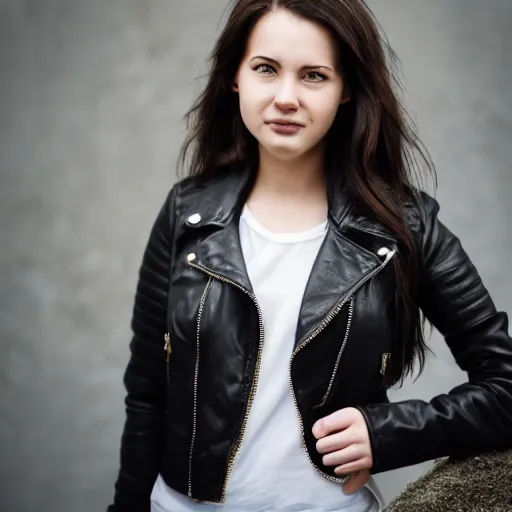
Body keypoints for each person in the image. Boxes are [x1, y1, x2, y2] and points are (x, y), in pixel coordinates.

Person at [107, 0, 512, 511]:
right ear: (235, 76)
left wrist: (389, 432)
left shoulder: (404, 227)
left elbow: (507, 387)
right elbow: (147, 395)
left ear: (347, 91)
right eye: (265, 69)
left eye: (314, 76)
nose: (285, 97)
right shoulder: (188, 213)